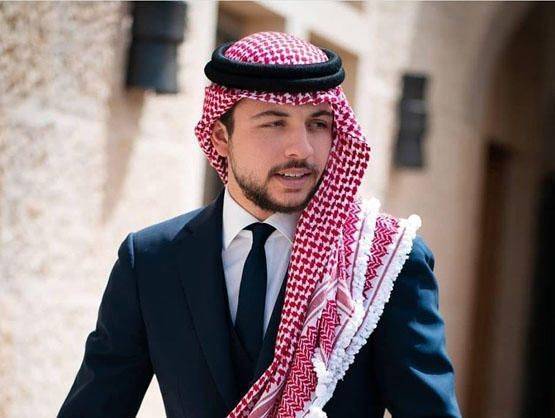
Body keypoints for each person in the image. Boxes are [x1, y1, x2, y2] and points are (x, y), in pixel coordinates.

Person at [58, 32, 461, 418]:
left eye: (318, 124)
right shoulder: (151, 260)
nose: (302, 148)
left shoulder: (380, 262)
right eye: (274, 123)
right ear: (220, 137)